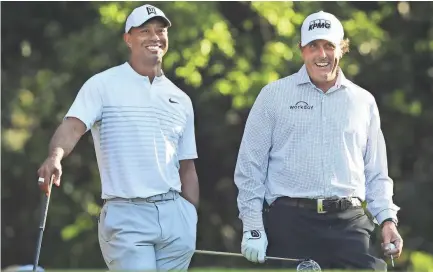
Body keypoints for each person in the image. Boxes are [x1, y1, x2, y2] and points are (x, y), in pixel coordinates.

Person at [234, 10, 403, 270]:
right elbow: (249, 169)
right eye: (313, 46)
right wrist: (253, 227)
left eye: (329, 46)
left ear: (342, 49)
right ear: (302, 50)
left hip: (349, 221)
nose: (322, 55)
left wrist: (388, 220)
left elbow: (376, 173)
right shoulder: (273, 96)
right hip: (290, 221)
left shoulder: (363, 101)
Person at [36, 4, 199, 271]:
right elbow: (73, 127)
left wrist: (190, 217)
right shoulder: (103, 85)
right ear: (128, 38)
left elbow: (188, 166)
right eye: (145, 30)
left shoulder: (181, 99)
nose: (154, 37)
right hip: (127, 215)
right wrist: (55, 157)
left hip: (175, 217)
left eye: (160, 31)